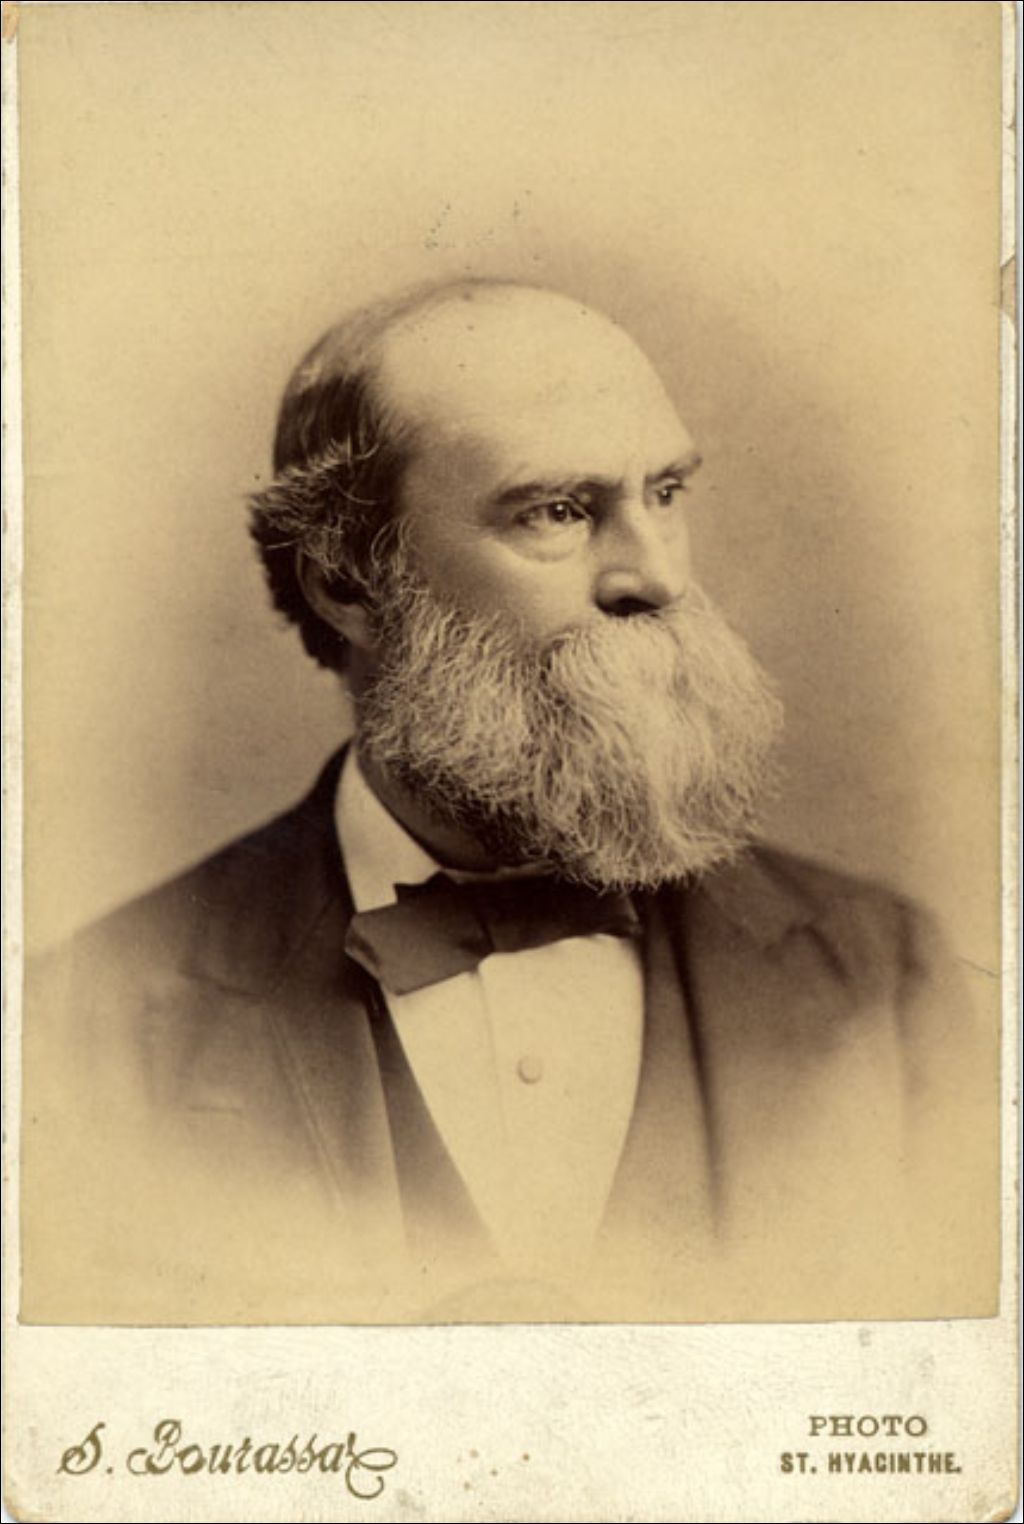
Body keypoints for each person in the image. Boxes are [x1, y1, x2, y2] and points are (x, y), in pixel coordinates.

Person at [21, 278, 997, 1325]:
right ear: (346, 581)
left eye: (667, 493)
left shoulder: (882, 982)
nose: (655, 577)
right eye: (557, 512)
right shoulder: (84, 1032)